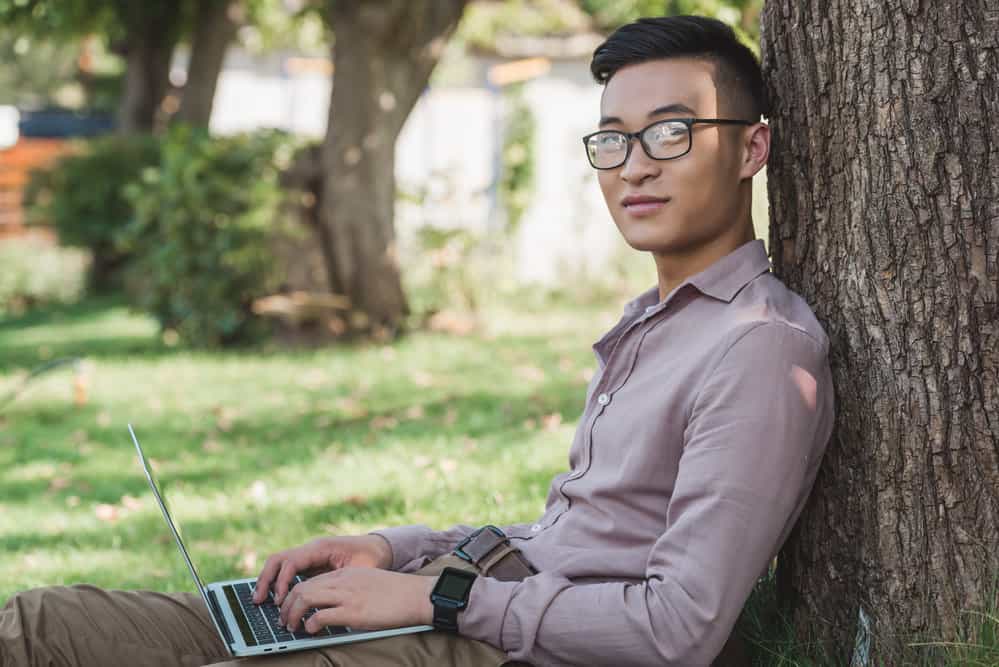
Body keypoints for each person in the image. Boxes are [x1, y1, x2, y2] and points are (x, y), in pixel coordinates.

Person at [0, 15, 835, 667]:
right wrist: (390, 551)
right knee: (41, 626)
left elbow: (676, 629)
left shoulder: (759, 349)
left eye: (670, 131)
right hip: (476, 611)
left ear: (749, 147)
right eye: (612, 138)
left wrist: (433, 599)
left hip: (505, 647)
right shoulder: (651, 321)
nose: (634, 166)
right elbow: (567, 540)